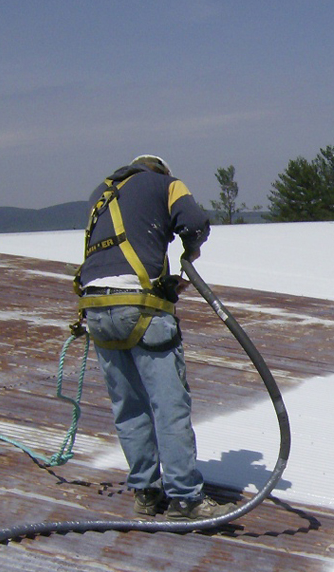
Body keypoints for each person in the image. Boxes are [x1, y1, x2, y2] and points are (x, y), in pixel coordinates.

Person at [74, 154, 234, 520]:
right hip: (141, 307)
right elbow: (194, 222)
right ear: (161, 171)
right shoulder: (166, 184)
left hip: (96, 308)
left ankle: (146, 492)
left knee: (128, 406)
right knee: (169, 405)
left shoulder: (102, 192)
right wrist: (189, 254)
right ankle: (185, 497)